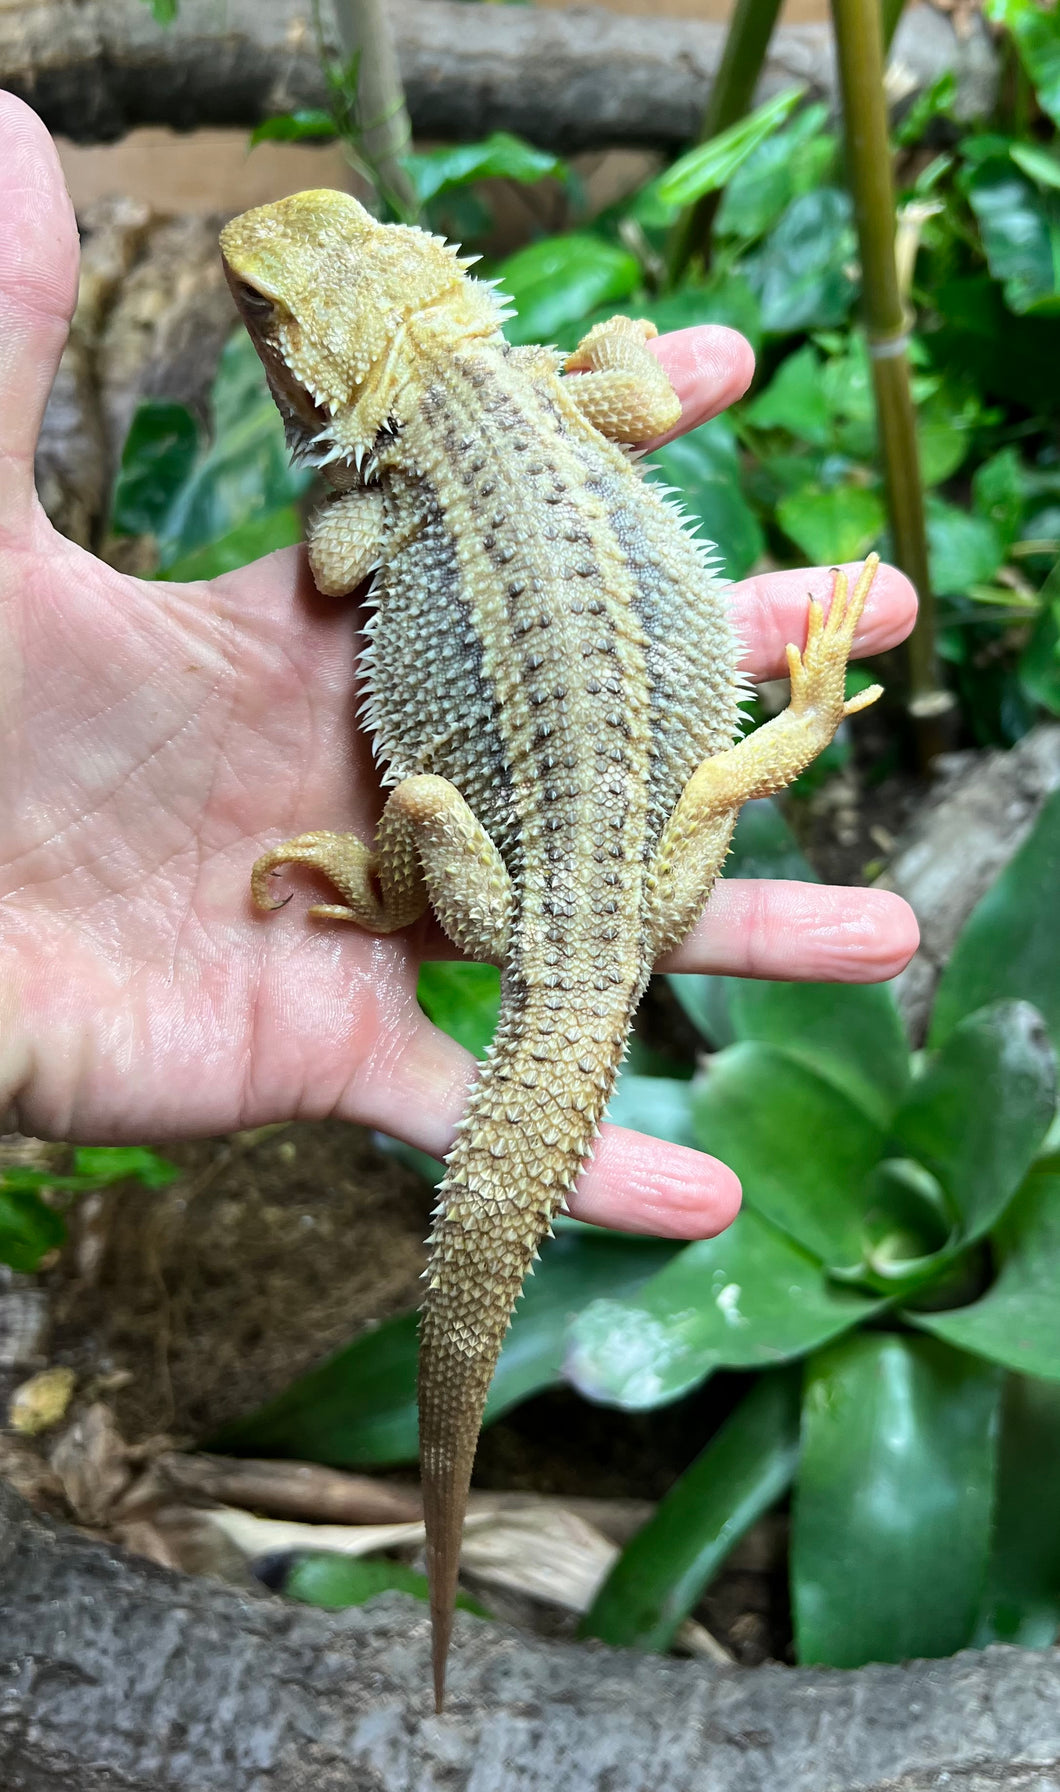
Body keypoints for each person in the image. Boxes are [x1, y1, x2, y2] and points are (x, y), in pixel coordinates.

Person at [0, 93, 919, 1242]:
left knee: (440, 796)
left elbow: (334, 563)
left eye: (256, 311)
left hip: (521, 916)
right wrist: (609, 338)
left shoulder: (402, 473)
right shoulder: (554, 390)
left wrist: (360, 487)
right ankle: (815, 704)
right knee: (705, 778)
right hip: (646, 898)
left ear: (305, 363)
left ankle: (387, 896)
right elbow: (638, 385)